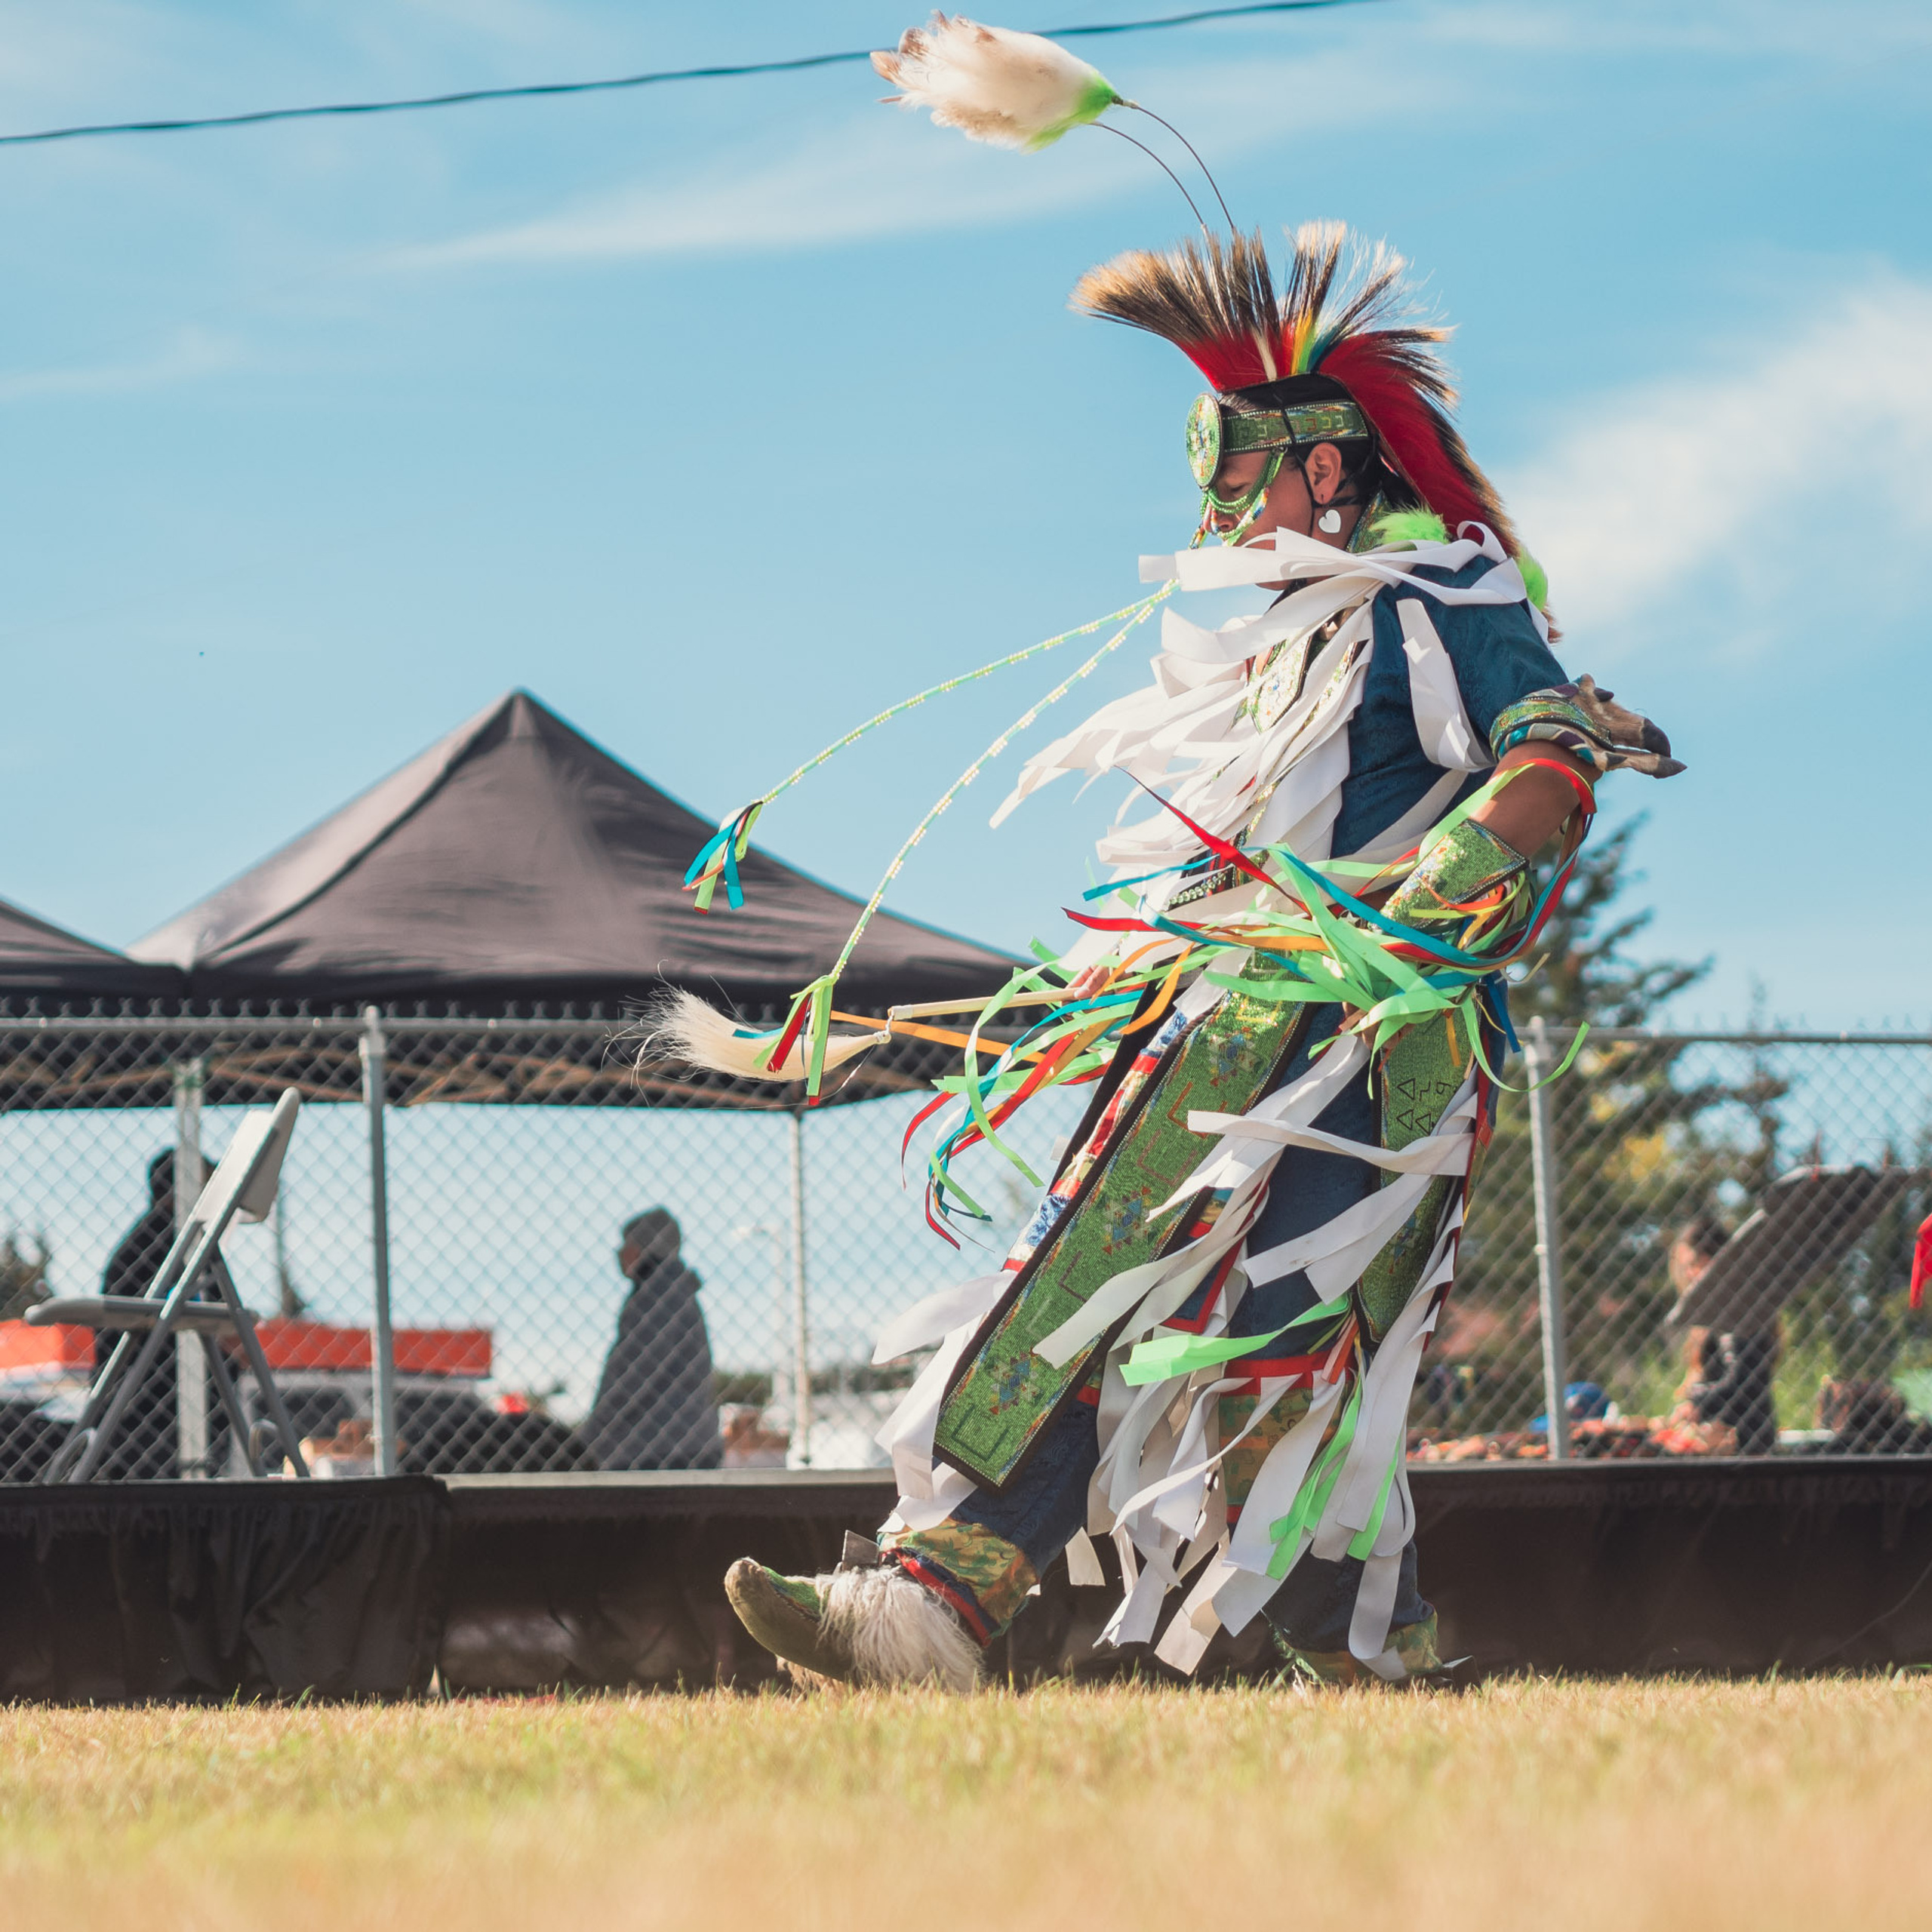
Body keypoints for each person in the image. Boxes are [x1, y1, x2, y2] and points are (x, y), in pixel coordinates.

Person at [712, 25, 1683, 1691]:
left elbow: (1540, 769)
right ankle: (927, 1605)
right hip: (1215, 1024)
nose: (1218, 498)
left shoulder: (1447, 602)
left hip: (1372, 1047)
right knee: (1081, 1278)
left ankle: (1358, 1648)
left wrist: (1418, 909)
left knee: (1292, 1338)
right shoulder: (1286, 637)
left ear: (1326, 460)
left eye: (1239, 459)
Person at [91, 1147, 221, 1479]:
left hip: (144, 1401)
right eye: (207, 1181)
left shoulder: (166, 1237)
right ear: (183, 1186)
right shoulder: (167, 1239)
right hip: (151, 1404)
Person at [579, 1210, 722, 1471]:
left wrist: (590, 1436)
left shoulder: (656, 1294)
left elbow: (632, 1374)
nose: (620, 1253)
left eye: (626, 1245)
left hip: (654, 1450)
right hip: (682, 1443)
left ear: (642, 1249)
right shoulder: (674, 1289)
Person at [1670, 1214, 1781, 1455]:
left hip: (1743, 1446)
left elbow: (1741, 1382)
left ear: (1711, 1260)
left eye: (1693, 1264)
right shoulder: (1729, 1309)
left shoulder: (1737, 1309)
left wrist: (1695, 1401)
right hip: (1738, 1441)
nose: (1689, 1274)